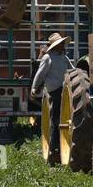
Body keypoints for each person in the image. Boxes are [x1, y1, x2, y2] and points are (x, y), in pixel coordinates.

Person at [31, 32, 72, 165]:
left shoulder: (64, 58)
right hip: (55, 91)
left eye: (62, 44)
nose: (62, 46)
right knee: (55, 119)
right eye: (60, 44)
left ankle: (56, 149)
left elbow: (72, 71)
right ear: (55, 46)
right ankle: (54, 150)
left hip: (64, 90)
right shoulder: (48, 58)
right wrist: (34, 87)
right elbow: (40, 74)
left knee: (58, 119)